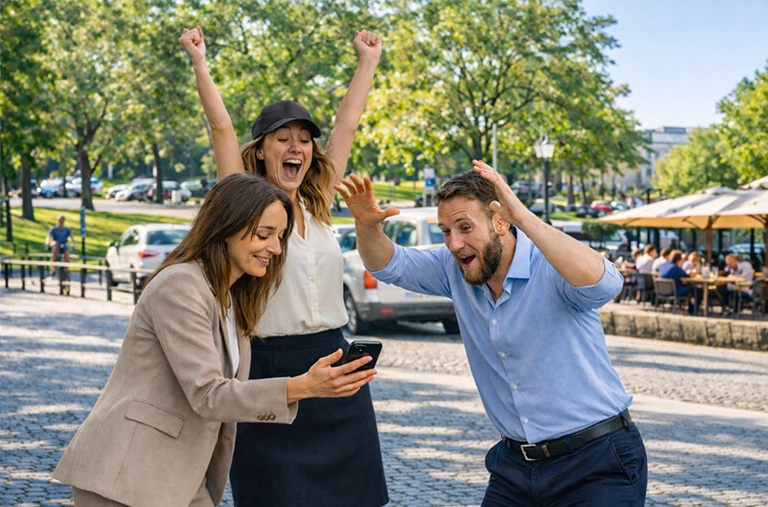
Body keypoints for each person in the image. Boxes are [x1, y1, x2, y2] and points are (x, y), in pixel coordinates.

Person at [52, 173, 376, 507]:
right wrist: (303, 386)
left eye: (280, 237)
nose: (276, 249)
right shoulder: (180, 286)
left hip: (180, 479)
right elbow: (208, 394)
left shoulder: (230, 297)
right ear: (226, 227)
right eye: (264, 234)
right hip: (127, 476)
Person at [337, 161, 647, 506]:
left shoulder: (552, 264)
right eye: (445, 230)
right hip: (515, 468)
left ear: (501, 222)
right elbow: (388, 265)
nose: (454, 243)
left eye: (465, 227)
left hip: (596, 463)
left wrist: (525, 217)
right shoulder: (451, 268)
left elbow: (606, 285)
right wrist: (366, 226)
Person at [179, 26, 388, 507]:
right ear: (261, 150)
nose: (296, 147)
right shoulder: (244, 206)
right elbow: (221, 129)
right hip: (269, 369)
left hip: (337, 362)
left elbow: (348, 125)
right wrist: (200, 63)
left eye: (303, 140)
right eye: (282, 139)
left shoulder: (319, 203)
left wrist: (367, 62)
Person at [657, 250, 698, 315]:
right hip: (674, 292)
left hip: (661, 291)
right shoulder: (675, 268)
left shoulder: (664, 265)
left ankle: (689, 308)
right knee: (695, 289)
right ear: (679, 259)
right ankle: (693, 310)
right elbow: (686, 276)